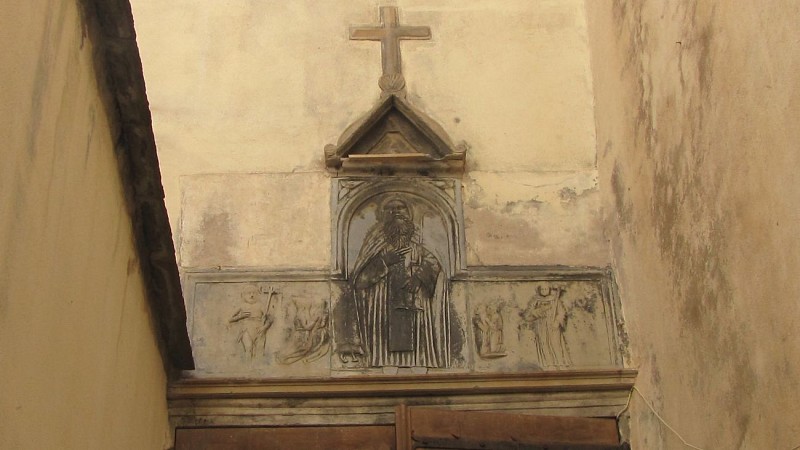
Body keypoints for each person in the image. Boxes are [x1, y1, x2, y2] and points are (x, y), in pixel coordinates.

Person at [348, 196, 450, 368]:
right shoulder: (375, 246)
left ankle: (420, 363)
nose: (396, 212)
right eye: (391, 209)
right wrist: (383, 262)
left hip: (416, 302)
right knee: (384, 332)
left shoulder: (422, 245)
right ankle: (384, 363)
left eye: (400, 208)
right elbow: (360, 281)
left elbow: (435, 263)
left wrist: (419, 277)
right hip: (383, 303)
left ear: (409, 213)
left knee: (417, 331)